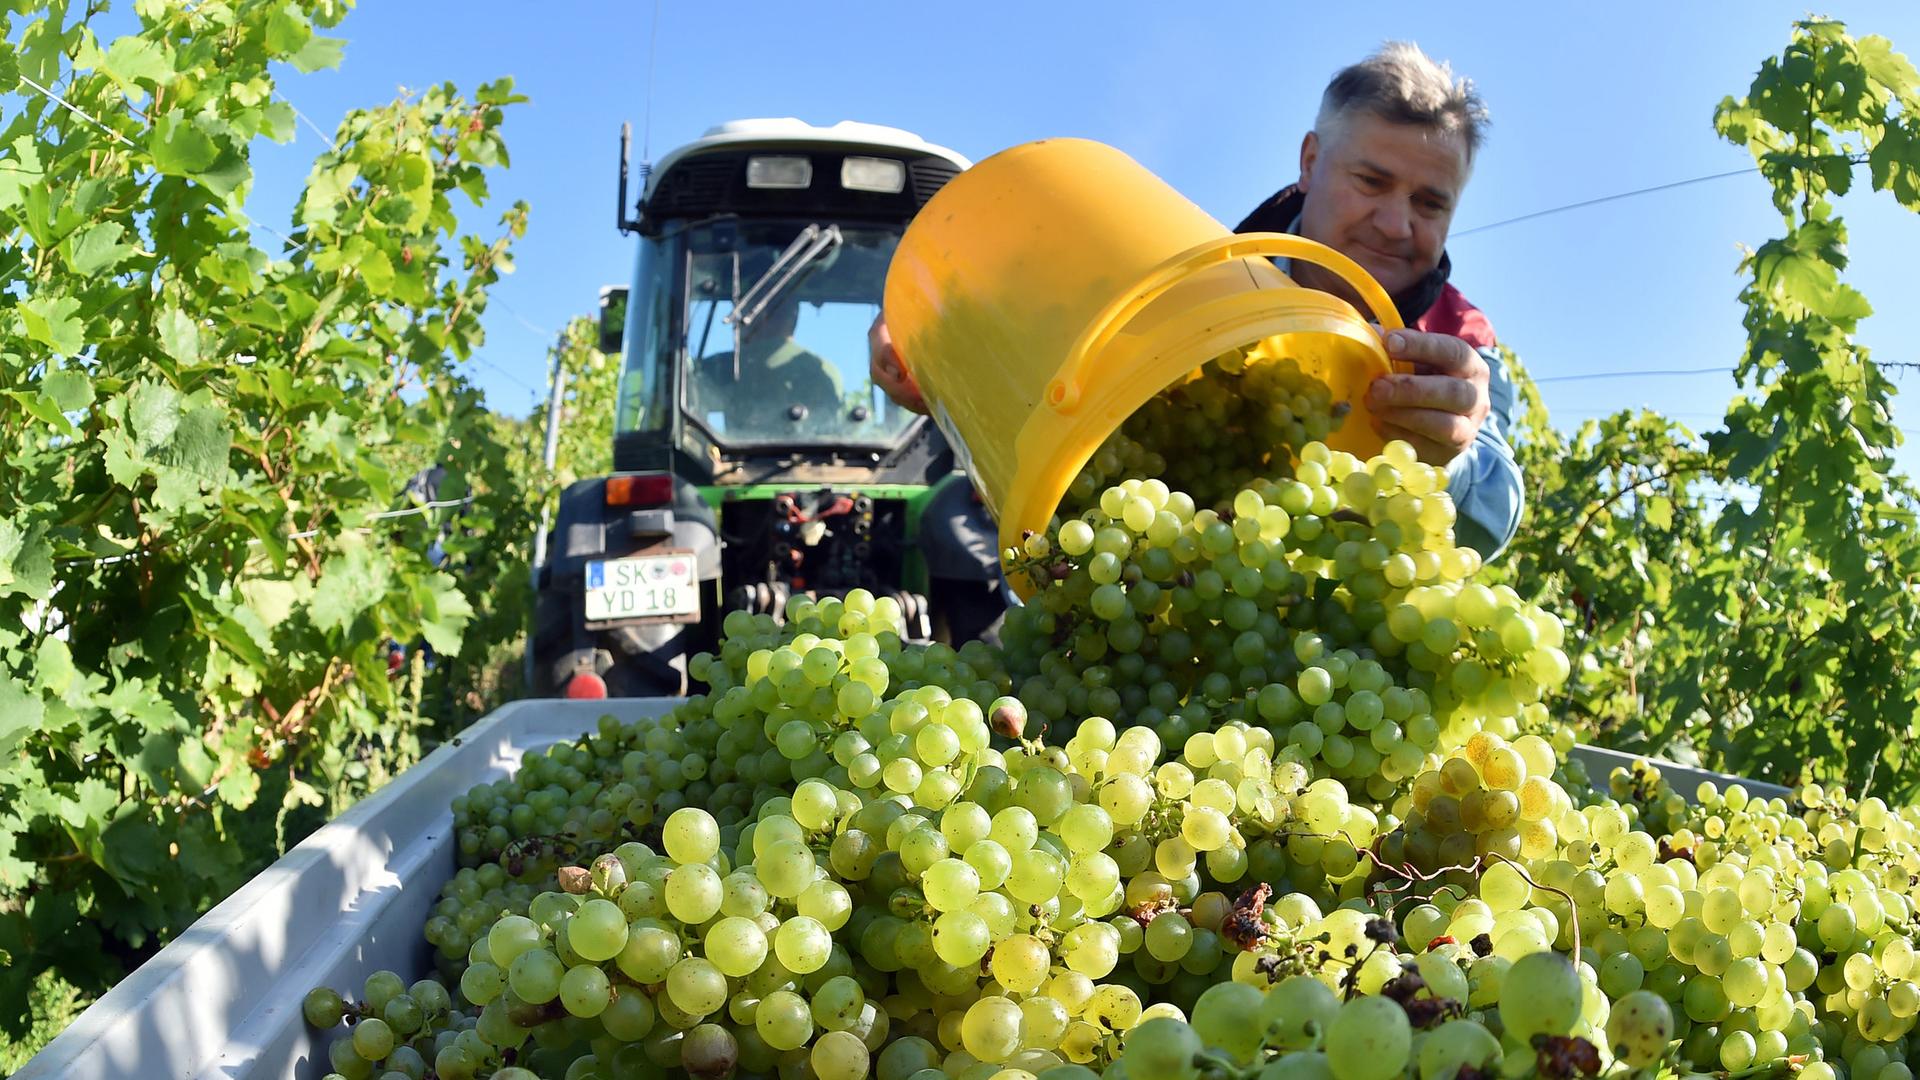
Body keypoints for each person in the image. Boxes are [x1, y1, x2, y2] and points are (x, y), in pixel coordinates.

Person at [870, 41, 1524, 559]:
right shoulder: (1199, 281)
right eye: (1372, 181)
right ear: (1310, 161)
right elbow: (1053, 402)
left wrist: (1455, 459)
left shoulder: (1455, 342)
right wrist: (935, 358)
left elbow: (1495, 518)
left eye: (1429, 202)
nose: (1395, 222)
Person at [696, 297, 843, 436]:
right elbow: (831, 432)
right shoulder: (823, 370)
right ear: (794, 317)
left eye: (747, 311)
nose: (738, 320)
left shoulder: (720, 366)